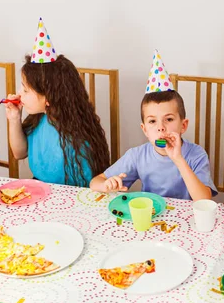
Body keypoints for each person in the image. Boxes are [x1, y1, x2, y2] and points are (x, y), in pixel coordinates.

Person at [90, 50, 216, 201]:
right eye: (152, 121)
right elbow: (94, 182)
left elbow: (205, 201)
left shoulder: (196, 155)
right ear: (145, 130)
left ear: (183, 125)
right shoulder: (137, 156)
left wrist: (178, 159)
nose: (161, 128)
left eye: (168, 119)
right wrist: (106, 185)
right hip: (151, 218)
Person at [5, 18, 109, 186]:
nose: (19, 94)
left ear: (48, 98)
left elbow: (83, 188)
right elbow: (19, 153)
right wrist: (14, 119)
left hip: (72, 195)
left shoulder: (77, 135)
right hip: (41, 189)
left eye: (25, 90)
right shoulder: (39, 118)